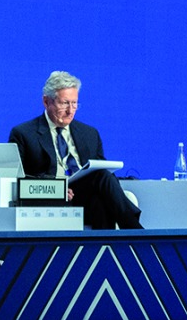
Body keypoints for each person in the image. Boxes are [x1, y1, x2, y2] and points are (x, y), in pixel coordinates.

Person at [8, 71, 142, 229]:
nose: (70, 110)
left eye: (75, 103)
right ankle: (134, 233)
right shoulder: (24, 133)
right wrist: (56, 190)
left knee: (102, 179)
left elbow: (100, 171)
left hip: (83, 196)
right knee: (101, 201)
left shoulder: (89, 133)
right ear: (46, 101)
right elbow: (17, 179)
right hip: (50, 198)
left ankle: (121, 238)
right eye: (64, 103)